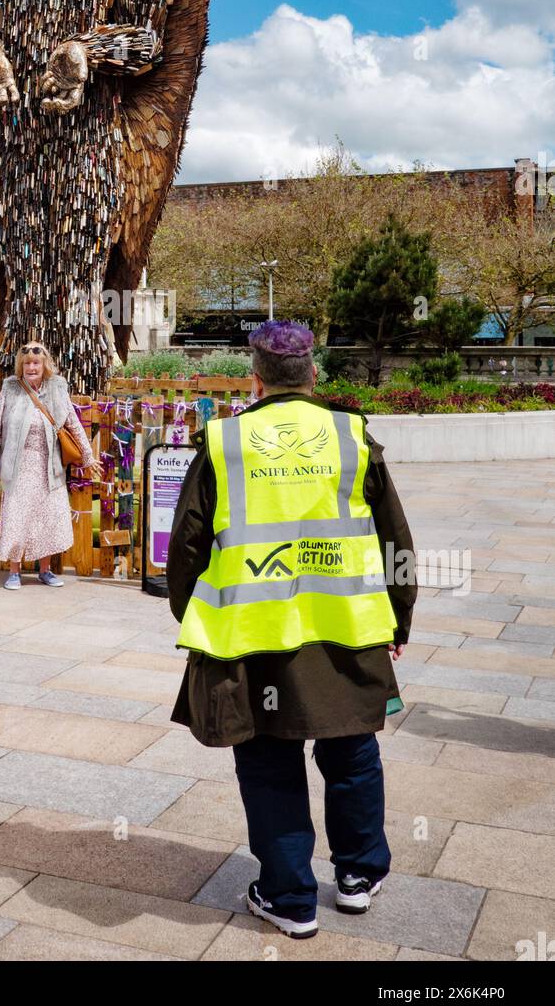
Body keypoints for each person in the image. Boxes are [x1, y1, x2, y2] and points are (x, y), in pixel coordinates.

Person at [166, 320, 416, 940]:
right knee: (353, 750)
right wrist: (398, 617)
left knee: (270, 760)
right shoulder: (352, 435)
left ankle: (289, 897)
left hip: (255, 635)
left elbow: (186, 545)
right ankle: (357, 877)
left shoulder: (225, 441)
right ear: (314, 373)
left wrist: (191, 613)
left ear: (255, 376)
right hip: (347, 627)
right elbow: (395, 541)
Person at [0, 340, 99, 590]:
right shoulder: (11, 389)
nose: (31, 367)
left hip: (49, 466)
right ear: (21, 366)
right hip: (19, 468)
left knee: (47, 518)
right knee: (17, 518)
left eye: (36, 363)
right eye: (27, 363)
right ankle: (14, 571)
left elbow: (73, 424)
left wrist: (88, 456)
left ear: (44, 365)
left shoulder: (56, 388)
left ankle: (45, 570)